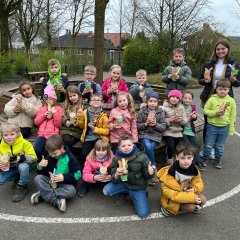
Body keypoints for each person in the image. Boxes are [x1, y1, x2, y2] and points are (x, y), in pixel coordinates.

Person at [198, 39, 240, 159]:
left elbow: (238, 83)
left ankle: (217, 148)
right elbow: (200, 80)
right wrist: (205, 80)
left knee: (222, 123)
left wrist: (234, 80)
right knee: (208, 123)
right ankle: (207, 148)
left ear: (228, 49)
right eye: (218, 49)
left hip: (225, 99)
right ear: (215, 51)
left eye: (223, 48)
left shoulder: (234, 64)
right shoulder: (208, 64)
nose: (220, 51)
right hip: (209, 97)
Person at [103, 135, 155, 218]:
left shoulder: (142, 157)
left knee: (143, 214)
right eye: (123, 146)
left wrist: (150, 171)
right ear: (119, 148)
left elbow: (148, 175)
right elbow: (113, 179)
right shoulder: (116, 159)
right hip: (124, 183)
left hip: (137, 186)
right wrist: (116, 175)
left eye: (129, 145)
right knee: (106, 190)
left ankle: (141, 194)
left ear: (133, 145)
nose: (127, 147)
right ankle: (123, 193)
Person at [31, 135, 81, 212]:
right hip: (51, 182)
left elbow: (77, 174)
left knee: (72, 191)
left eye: (55, 153)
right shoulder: (50, 156)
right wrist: (40, 166)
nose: (52, 156)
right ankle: (55, 201)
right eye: (50, 153)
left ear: (61, 148)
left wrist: (63, 177)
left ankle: (43, 194)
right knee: (37, 178)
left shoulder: (70, 157)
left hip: (64, 184)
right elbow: (42, 173)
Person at [157, 142, 206, 217]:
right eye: (182, 158)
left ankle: (187, 204)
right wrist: (192, 198)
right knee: (190, 207)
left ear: (192, 157)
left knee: (203, 200)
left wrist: (194, 189)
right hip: (172, 198)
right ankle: (167, 209)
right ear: (177, 157)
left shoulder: (194, 169)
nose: (186, 161)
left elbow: (198, 182)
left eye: (189, 158)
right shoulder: (171, 173)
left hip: (185, 192)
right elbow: (173, 195)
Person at [202, 79, 236, 169]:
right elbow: (205, 110)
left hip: (224, 127)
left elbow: (233, 115)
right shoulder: (212, 99)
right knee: (209, 144)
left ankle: (217, 160)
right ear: (216, 89)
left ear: (229, 90)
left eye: (225, 89)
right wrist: (215, 113)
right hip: (212, 126)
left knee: (220, 146)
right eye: (220, 89)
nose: (222, 91)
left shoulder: (231, 101)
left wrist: (231, 129)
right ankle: (204, 158)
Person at [0, 123, 37, 202]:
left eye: (12, 134)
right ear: (2, 135)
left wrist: (23, 157)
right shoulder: (0, 145)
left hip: (26, 165)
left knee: (23, 167)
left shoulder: (25, 143)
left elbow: (34, 158)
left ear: (17, 134)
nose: (9, 137)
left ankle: (22, 187)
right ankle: (17, 177)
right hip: (11, 167)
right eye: (6, 135)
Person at [137, 92, 166, 185]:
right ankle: (153, 166)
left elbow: (163, 127)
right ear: (147, 102)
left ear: (157, 102)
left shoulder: (160, 112)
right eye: (150, 101)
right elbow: (137, 126)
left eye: (155, 101)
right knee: (147, 145)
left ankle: (148, 171)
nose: (152, 103)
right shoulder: (142, 111)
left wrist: (155, 124)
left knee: (147, 147)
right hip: (144, 134)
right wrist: (145, 124)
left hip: (155, 136)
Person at [77, 94, 109, 169]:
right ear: (90, 102)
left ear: (101, 103)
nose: (96, 101)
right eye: (94, 100)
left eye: (98, 100)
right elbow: (81, 126)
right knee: (84, 154)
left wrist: (95, 129)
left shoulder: (103, 115)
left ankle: (100, 170)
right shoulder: (85, 112)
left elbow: (107, 131)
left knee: (100, 153)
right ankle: (84, 170)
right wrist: (80, 115)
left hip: (99, 138)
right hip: (88, 137)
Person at [34, 85, 63, 161]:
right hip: (42, 135)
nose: (48, 101)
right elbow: (36, 122)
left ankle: (49, 165)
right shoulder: (42, 109)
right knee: (37, 149)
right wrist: (44, 115)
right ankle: (40, 163)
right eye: (46, 99)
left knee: (49, 151)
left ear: (54, 99)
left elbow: (58, 124)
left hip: (52, 135)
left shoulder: (58, 109)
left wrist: (54, 114)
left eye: (51, 99)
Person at [162, 90, 188, 165]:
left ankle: (177, 158)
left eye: (177, 98)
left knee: (181, 145)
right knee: (171, 145)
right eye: (173, 97)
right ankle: (169, 159)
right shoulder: (163, 108)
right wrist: (169, 120)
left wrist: (181, 120)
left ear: (179, 100)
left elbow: (185, 121)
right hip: (168, 131)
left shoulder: (181, 108)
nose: (174, 99)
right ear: (169, 97)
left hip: (178, 131)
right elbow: (160, 120)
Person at [182, 91, 205, 171]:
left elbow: (194, 119)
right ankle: (191, 163)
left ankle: (199, 162)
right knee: (187, 146)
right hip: (182, 130)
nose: (187, 100)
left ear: (192, 100)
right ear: (182, 98)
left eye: (189, 98)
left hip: (190, 130)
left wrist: (194, 117)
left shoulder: (192, 107)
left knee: (195, 146)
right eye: (185, 98)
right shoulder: (180, 107)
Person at [60, 86, 83, 152]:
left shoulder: (83, 105)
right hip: (66, 129)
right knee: (67, 140)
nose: (72, 98)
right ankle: (71, 159)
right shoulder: (66, 106)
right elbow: (62, 116)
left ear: (78, 95)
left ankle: (67, 158)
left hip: (77, 130)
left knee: (68, 142)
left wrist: (78, 122)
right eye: (70, 96)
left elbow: (85, 119)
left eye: (74, 95)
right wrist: (66, 121)